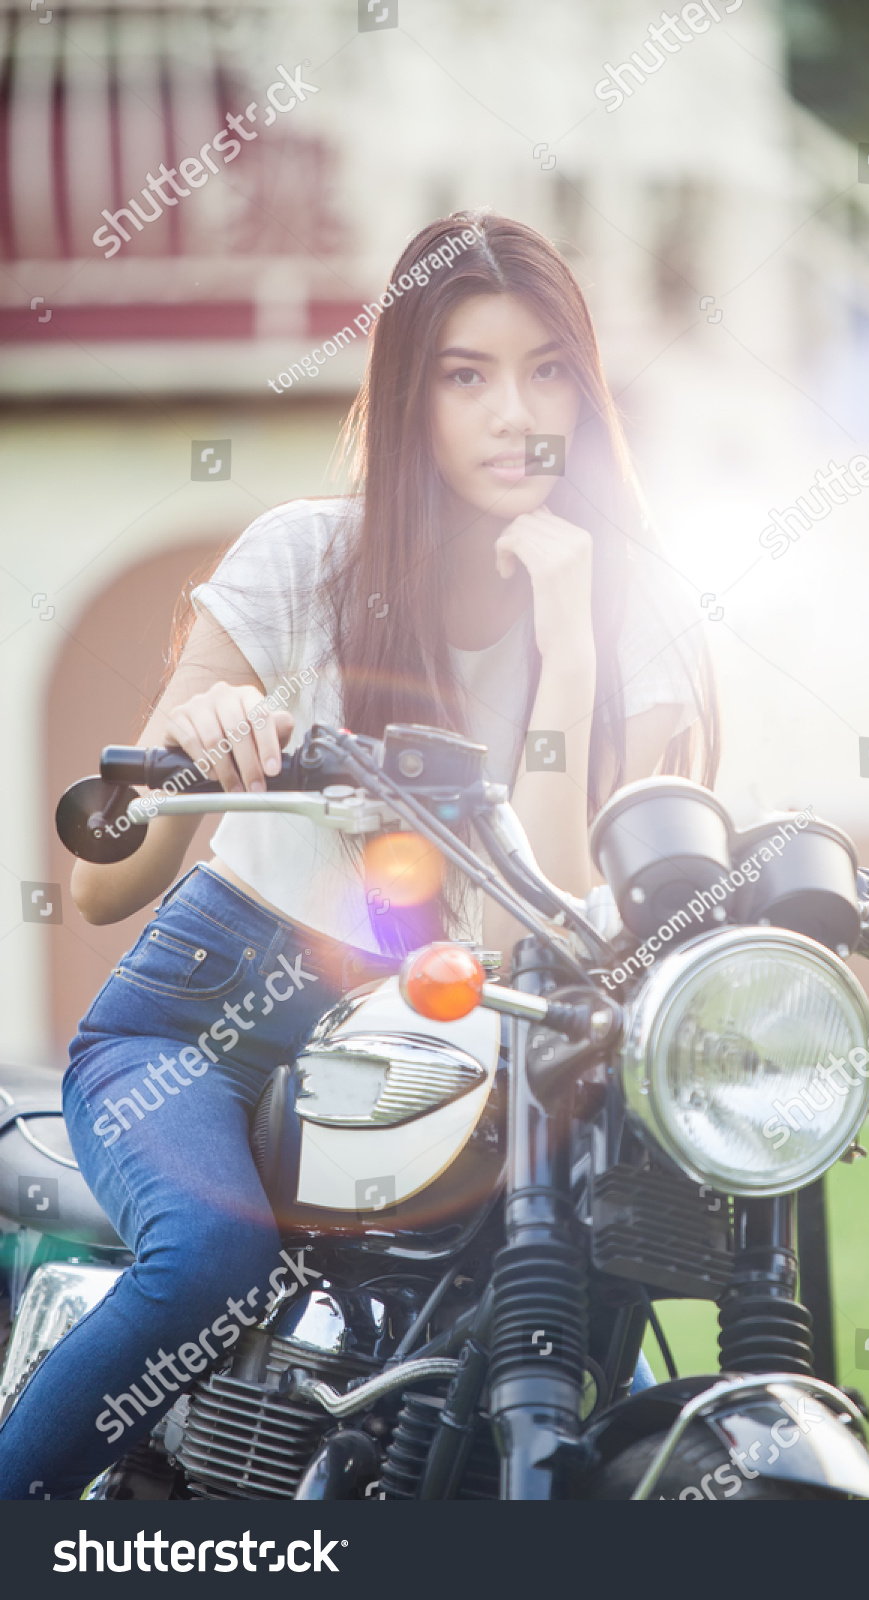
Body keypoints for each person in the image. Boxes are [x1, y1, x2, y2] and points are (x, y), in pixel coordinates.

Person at [0, 211, 719, 1498]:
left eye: (548, 368)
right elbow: (107, 885)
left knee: (592, 1289)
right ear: (407, 395)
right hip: (205, 1009)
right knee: (210, 1269)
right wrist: (193, 746)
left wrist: (567, 647)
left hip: (477, 1038)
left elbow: (553, 925)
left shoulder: (636, 609)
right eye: (466, 373)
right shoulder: (304, 557)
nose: (516, 412)